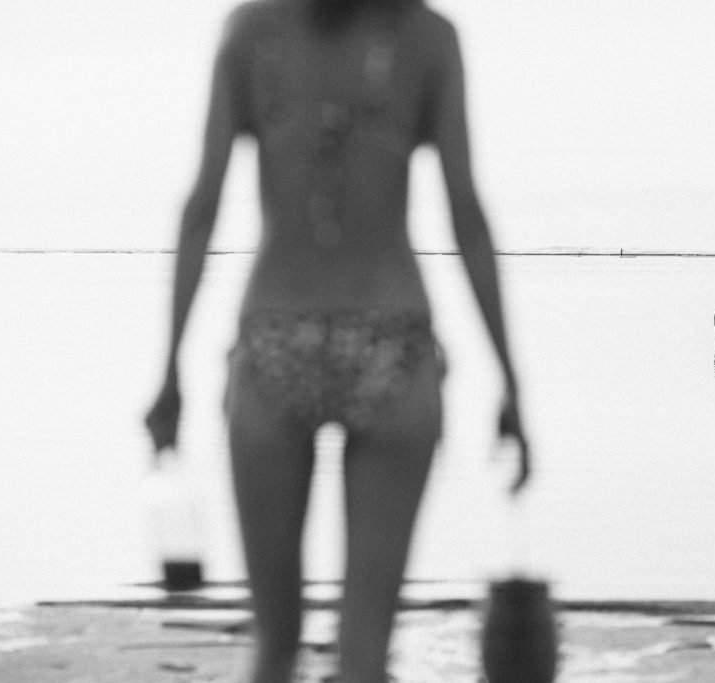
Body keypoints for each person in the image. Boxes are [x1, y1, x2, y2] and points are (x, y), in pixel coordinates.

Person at [144, 1, 530, 681]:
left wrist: (170, 373)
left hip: (276, 338)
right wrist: (510, 380)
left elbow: (201, 207)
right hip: (392, 340)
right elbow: (466, 213)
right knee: (364, 654)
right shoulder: (427, 38)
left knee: (274, 648)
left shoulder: (252, 32)